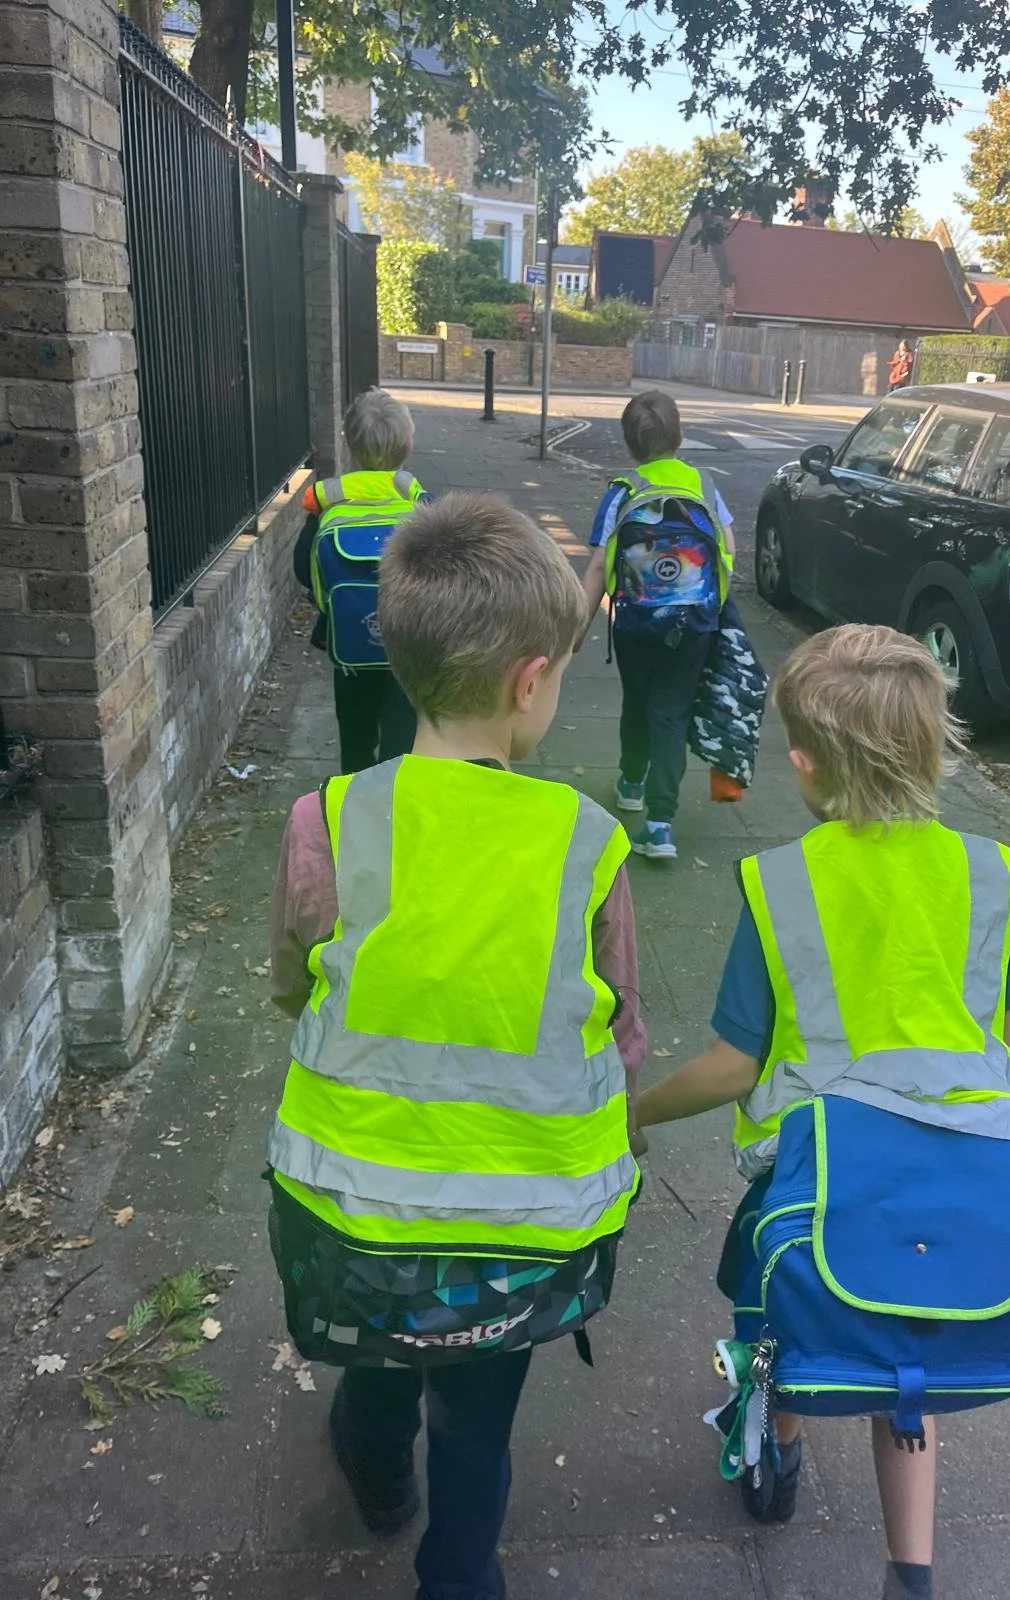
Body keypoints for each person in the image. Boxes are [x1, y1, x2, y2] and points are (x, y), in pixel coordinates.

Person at [635, 624, 1010, 1600]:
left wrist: (638, 1110)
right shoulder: (990, 872)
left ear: (803, 765)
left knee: (790, 1302)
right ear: (934, 744)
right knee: (905, 1364)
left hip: (819, 1174)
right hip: (959, 1170)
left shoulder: (784, 881)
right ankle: (910, 1571)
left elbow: (728, 1064)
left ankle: (779, 1445)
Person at [267, 491, 646, 1600]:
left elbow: (296, 984)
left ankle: (377, 1471)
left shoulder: (326, 818)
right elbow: (619, 1035)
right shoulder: (588, 843)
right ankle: (461, 1576)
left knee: (380, 1353)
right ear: (533, 680)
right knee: (479, 1424)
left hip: (352, 1217)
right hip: (527, 1228)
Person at [580, 390, 735, 862]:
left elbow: (597, 565)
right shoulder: (703, 485)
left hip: (635, 622)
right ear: (681, 436)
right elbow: (728, 548)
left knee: (639, 701)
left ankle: (630, 782)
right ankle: (660, 824)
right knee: (672, 711)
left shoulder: (622, 490)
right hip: (693, 623)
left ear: (629, 445)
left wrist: (574, 630)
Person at [293, 387, 427, 773]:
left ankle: (354, 804)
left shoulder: (328, 507)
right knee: (403, 739)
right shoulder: (421, 509)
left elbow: (304, 568)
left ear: (350, 446)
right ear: (408, 448)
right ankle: (394, 808)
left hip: (349, 648)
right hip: (408, 653)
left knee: (354, 735)